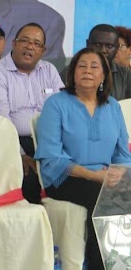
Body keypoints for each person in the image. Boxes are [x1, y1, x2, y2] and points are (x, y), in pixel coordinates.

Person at [35, 48, 131, 270]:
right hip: (64, 177)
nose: (87, 70)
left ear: (104, 76)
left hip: (106, 176)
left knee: (119, 191)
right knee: (105, 197)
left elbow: (123, 153)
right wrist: (95, 176)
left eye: (94, 66)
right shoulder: (56, 104)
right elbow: (51, 155)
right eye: (82, 66)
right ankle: (108, 266)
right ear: (72, 73)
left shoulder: (113, 106)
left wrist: (119, 172)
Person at [0, 22, 64, 203]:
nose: (29, 47)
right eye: (24, 41)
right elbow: (1, 125)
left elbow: (63, 111)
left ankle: (62, 221)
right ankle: (36, 223)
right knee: (30, 177)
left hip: (49, 142)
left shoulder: (49, 71)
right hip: (14, 142)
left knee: (77, 171)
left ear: (43, 50)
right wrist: (19, 154)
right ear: (14, 44)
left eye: (36, 44)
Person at [62, 24, 131, 101]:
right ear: (87, 44)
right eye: (97, 45)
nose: (103, 50)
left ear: (117, 48)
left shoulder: (126, 74)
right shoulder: (69, 73)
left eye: (109, 46)